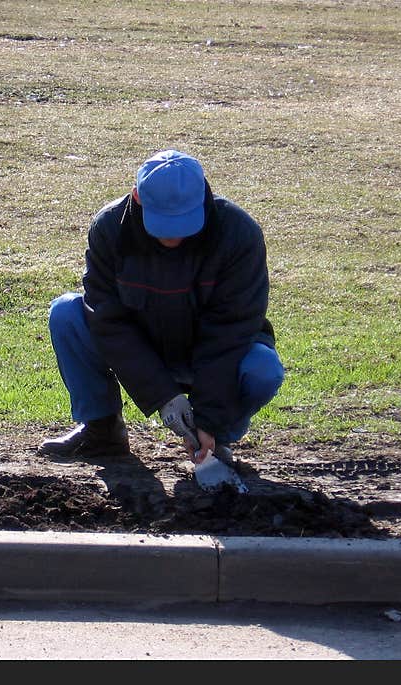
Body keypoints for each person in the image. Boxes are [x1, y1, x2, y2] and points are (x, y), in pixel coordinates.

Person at [39, 149, 284, 487]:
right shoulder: (110, 229)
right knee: (67, 314)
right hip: (145, 347)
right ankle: (102, 430)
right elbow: (109, 322)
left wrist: (208, 417)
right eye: (163, 224)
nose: (173, 237)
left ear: (203, 198)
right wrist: (163, 396)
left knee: (262, 369)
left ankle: (216, 442)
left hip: (210, 355)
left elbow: (229, 333)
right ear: (137, 197)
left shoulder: (239, 235)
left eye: (183, 222)